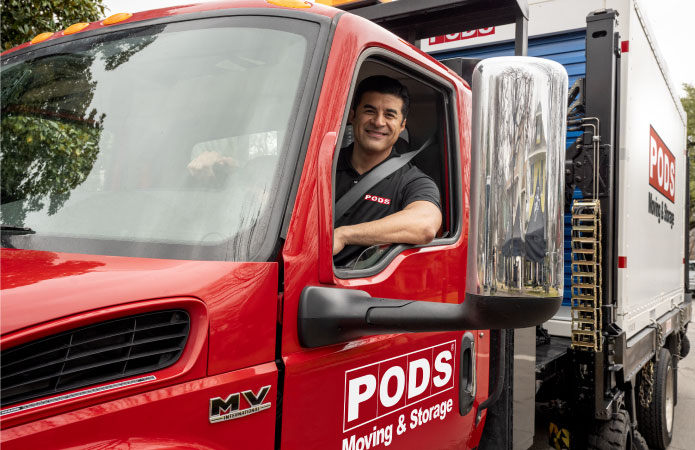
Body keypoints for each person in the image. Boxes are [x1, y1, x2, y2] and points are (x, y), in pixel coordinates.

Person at [333, 75, 442, 267]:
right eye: (369, 111)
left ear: (402, 126)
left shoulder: (413, 181)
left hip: (357, 288)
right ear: (352, 115)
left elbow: (425, 224)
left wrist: (344, 235)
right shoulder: (322, 166)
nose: (378, 122)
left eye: (389, 115)